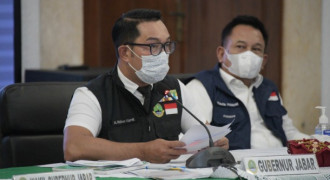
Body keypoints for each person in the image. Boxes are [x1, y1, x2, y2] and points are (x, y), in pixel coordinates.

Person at [63, 9, 229, 164]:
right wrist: (142, 152)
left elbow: (203, 133)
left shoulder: (172, 89)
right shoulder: (93, 94)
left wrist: (214, 141)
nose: (163, 54)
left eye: (167, 45)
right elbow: (74, 147)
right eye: (153, 46)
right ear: (125, 53)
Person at [186, 15, 310, 150]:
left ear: (264, 60)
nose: (249, 54)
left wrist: (317, 144)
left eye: (256, 49)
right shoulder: (203, 86)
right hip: (236, 166)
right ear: (221, 54)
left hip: (280, 163)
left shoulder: (269, 88)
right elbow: (200, 139)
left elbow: (288, 132)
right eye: (240, 46)